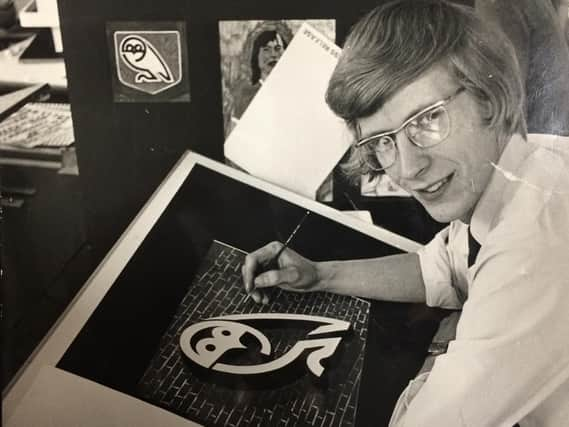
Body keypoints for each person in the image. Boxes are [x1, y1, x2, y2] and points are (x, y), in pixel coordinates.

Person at [241, 1, 569, 426]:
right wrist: (320, 275)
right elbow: (447, 266)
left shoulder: (536, 243)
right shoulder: (526, 162)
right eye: (383, 141)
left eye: (428, 118)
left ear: (489, 98)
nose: (408, 168)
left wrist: (442, 349)